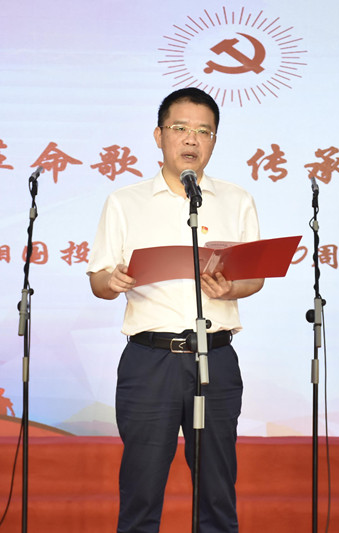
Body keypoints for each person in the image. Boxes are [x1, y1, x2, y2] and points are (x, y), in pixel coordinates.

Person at [87, 87, 264, 533]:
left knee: (217, 488)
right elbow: (98, 281)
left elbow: (254, 279)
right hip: (151, 360)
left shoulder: (236, 200)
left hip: (216, 358)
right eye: (180, 128)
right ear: (159, 135)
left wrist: (231, 288)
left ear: (214, 140)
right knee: (142, 487)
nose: (191, 139)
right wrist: (113, 280)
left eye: (204, 131)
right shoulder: (125, 202)